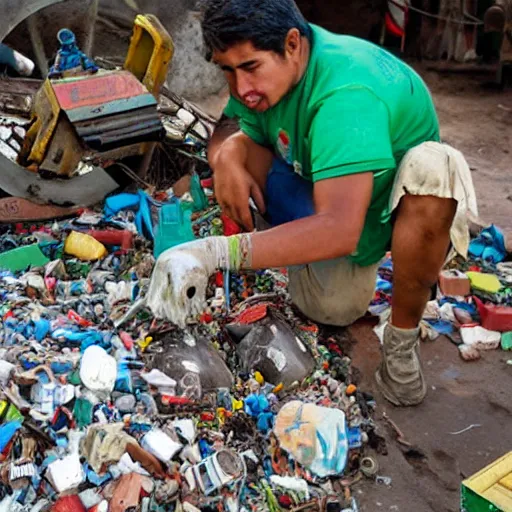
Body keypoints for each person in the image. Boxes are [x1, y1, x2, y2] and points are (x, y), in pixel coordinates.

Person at [146, 0, 478, 407]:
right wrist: (226, 156)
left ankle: (401, 343)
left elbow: (340, 228)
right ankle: (297, 247)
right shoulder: (277, 67)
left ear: (291, 45)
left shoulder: (345, 95)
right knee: (331, 308)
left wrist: (216, 252)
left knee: (433, 170)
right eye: (227, 71)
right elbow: (230, 121)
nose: (240, 88)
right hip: (322, 180)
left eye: (250, 67)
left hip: (380, 209)